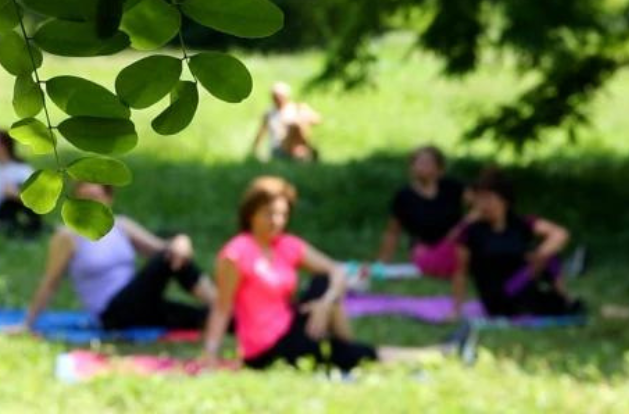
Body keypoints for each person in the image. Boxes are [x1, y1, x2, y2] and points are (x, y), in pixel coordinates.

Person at [203, 176, 465, 373]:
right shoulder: (236, 254)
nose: (277, 221)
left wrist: (326, 302)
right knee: (345, 352)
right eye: (269, 214)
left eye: (282, 214)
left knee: (325, 282)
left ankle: (348, 346)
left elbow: (336, 270)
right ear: (251, 215)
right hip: (266, 348)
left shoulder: (287, 244)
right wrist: (211, 354)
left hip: (293, 325)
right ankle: (437, 354)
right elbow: (222, 308)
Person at [23, 182, 216, 331]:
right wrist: (28, 323)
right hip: (112, 313)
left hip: (139, 303)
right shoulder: (67, 236)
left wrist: (182, 240)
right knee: (169, 256)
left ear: (108, 200)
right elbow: (50, 282)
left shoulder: (120, 225)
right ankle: (221, 303)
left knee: (206, 317)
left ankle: (229, 312)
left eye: (95, 198)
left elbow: (162, 247)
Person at [452, 167, 584, 319]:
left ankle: (563, 298)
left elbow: (560, 234)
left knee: (549, 256)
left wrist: (539, 254)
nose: (483, 205)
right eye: (479, 199)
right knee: (546, 267)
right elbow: (460, 272)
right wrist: (456, 310)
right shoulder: (471, 232)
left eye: (488, 199)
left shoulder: (520, 223)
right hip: (497, 297)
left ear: (504, 201)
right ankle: (565, 300)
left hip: (522, 287)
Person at [373, 146, 469, 278]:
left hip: (457, 246)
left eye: (427, 163)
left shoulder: (453, 187)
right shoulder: (404, 196)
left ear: (439, 168)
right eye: (417, 162)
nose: (421, 167)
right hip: (425, 251)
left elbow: (482, 205)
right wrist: (382, 264)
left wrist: (464, 225)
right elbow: (392, 233)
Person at [251, 82, 322, 162]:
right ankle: (309, 151)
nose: (276, 99)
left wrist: (301, 116)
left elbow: (317, 119)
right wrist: (254, 151)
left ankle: (306, 151)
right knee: (295, 126)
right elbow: (260, 133)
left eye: (278, 96)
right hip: (279, 146)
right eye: (274, 96)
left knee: (297, 125)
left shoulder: (296, 108)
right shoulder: (269, 113)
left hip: (296, 143)